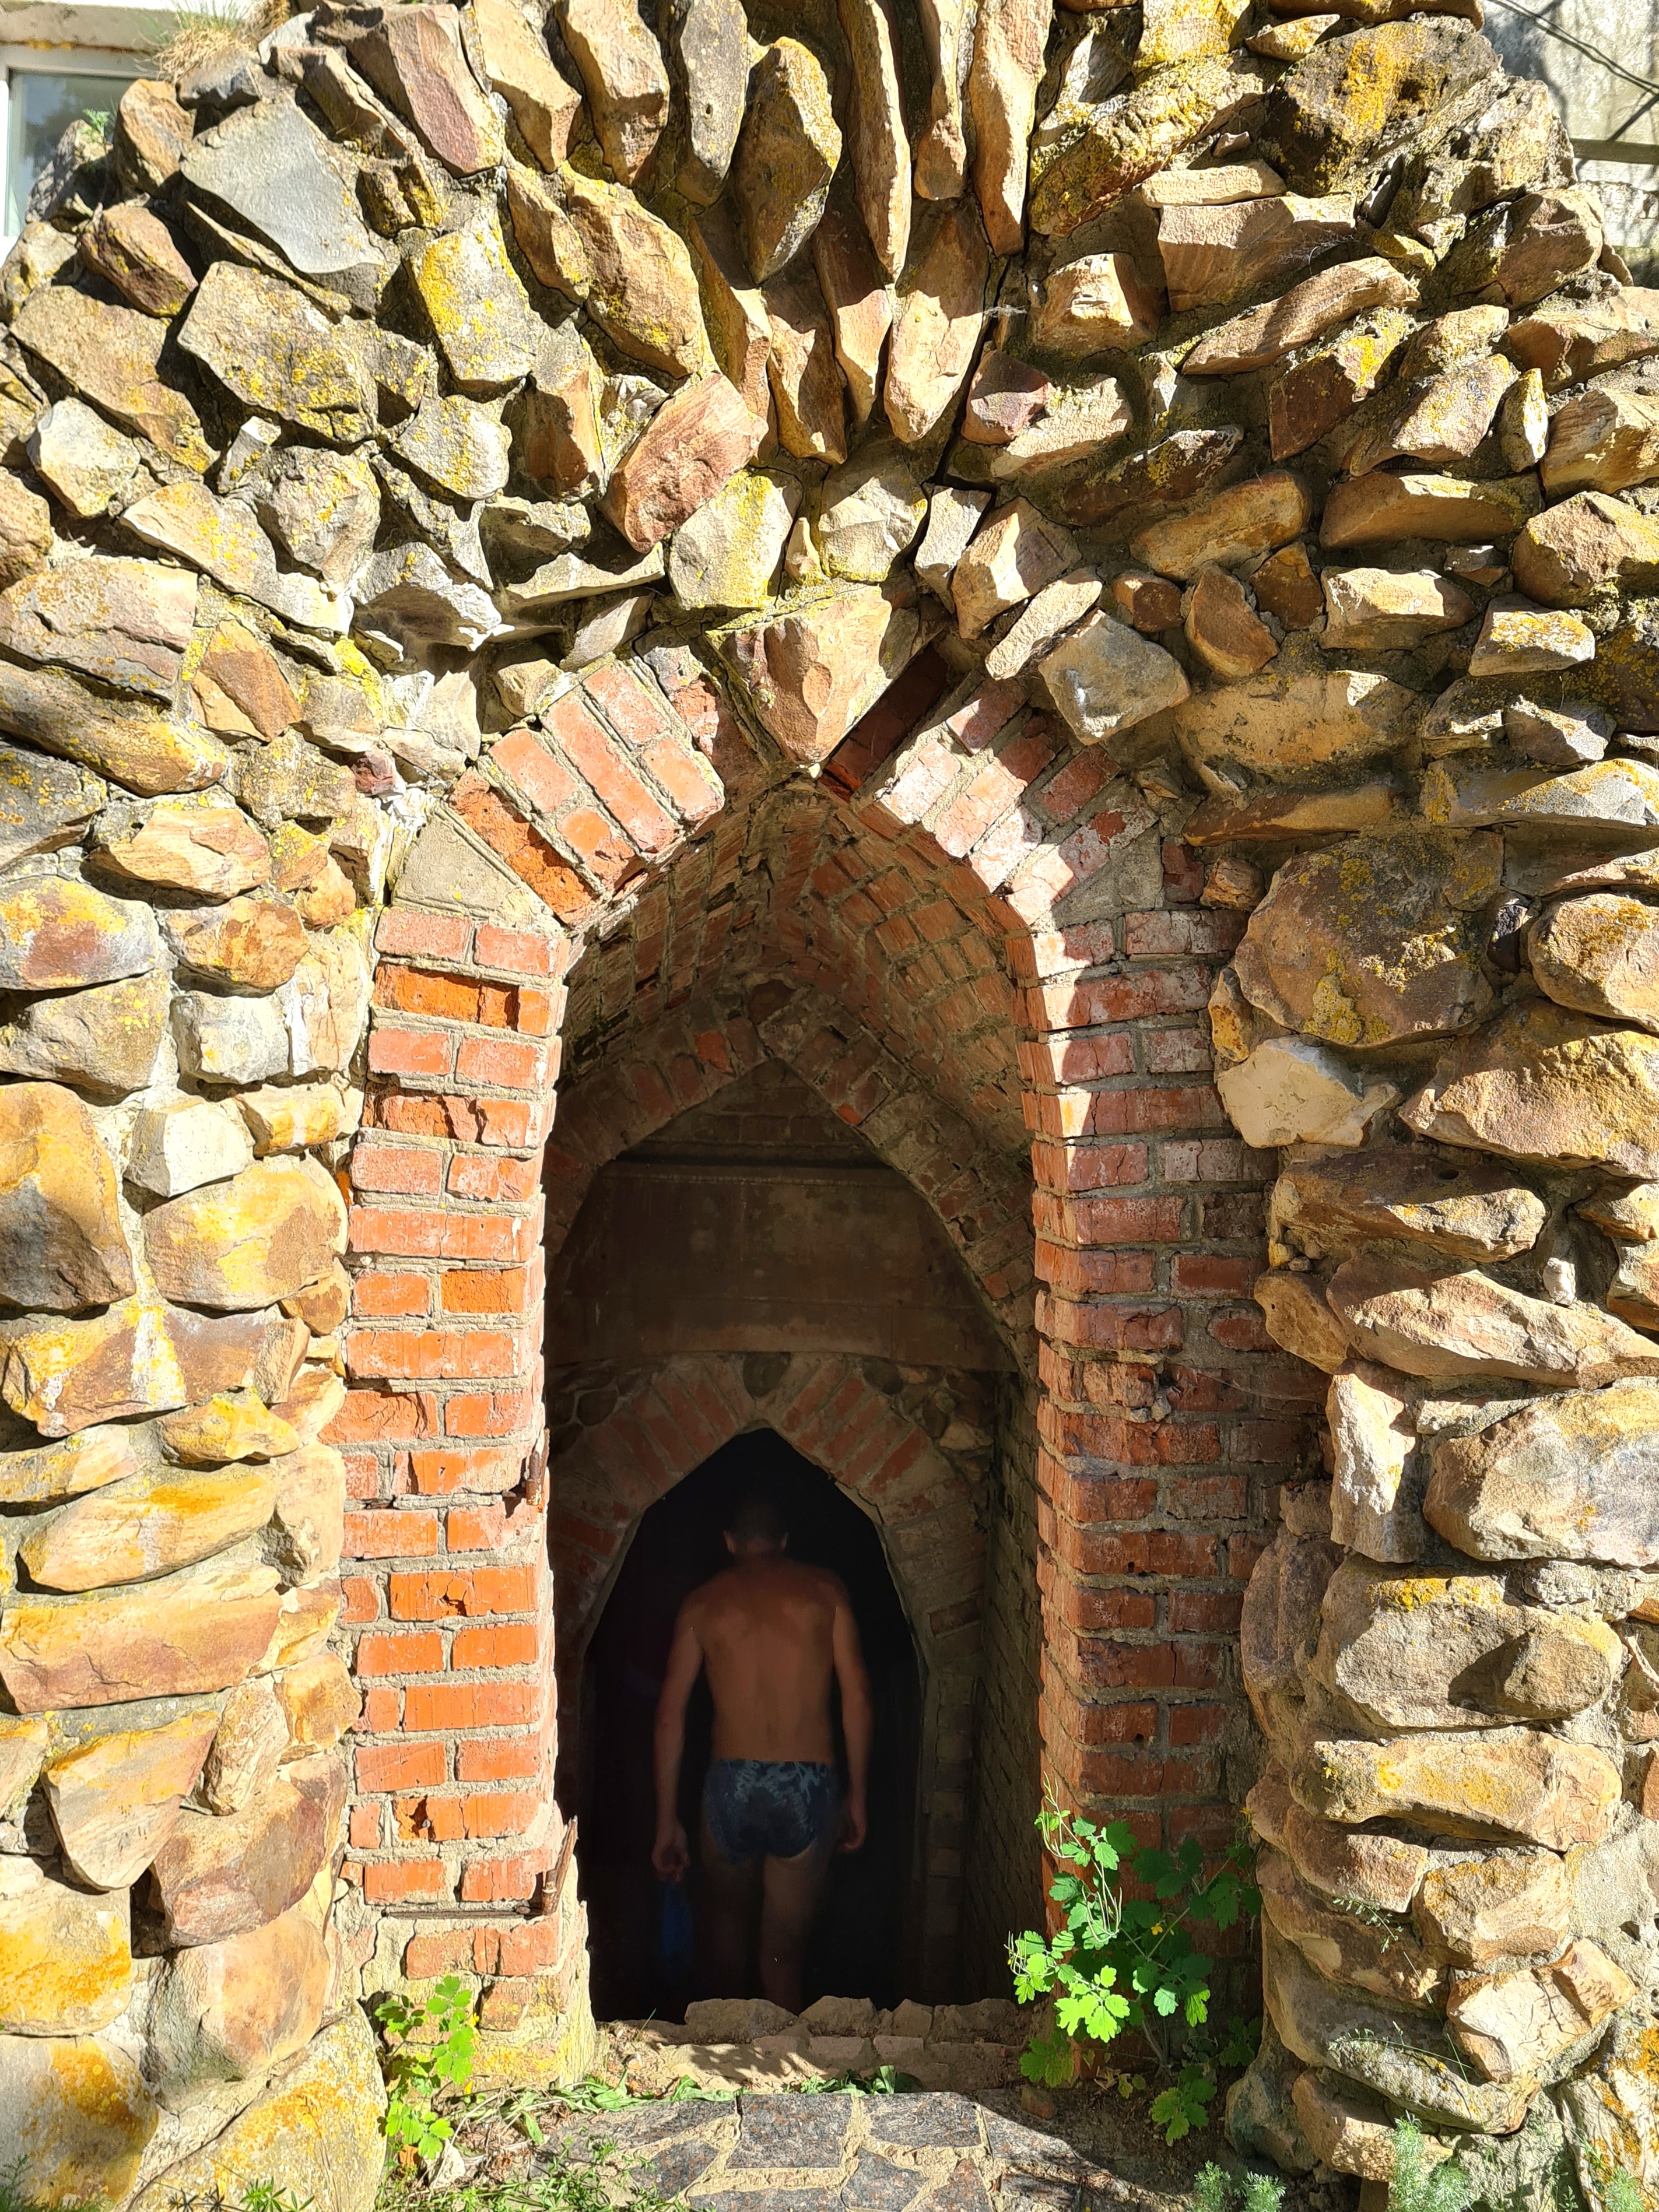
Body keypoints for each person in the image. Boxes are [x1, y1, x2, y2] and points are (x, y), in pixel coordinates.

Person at [651, 1490, 872, 2011]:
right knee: (783, 1957)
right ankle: (781, 2056)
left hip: (731, 1784)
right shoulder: (825, 1592)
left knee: (724, 1934)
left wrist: (666, 1821)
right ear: (784, 1541)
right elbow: (858, 1697)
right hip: (806, 1784)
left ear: (730, 1543)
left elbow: (669, 1716)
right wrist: (858, 1796)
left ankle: (719, 2045)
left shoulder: (703, 1603)